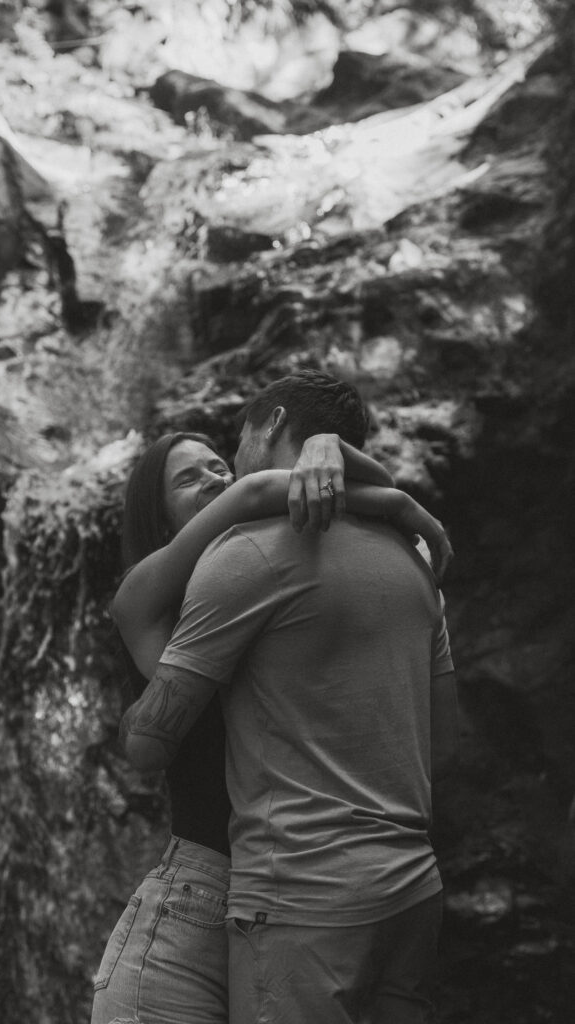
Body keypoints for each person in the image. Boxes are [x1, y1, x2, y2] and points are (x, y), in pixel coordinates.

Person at [120, 371, 459, 1024]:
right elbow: (442, 748)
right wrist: (393, 500)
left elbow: (146, 745)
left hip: (301, 897)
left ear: (271, 424)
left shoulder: (246, 555)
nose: (224, 471)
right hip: (413, 890)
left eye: (230, 451)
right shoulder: (411, 559)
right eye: (190, 477)